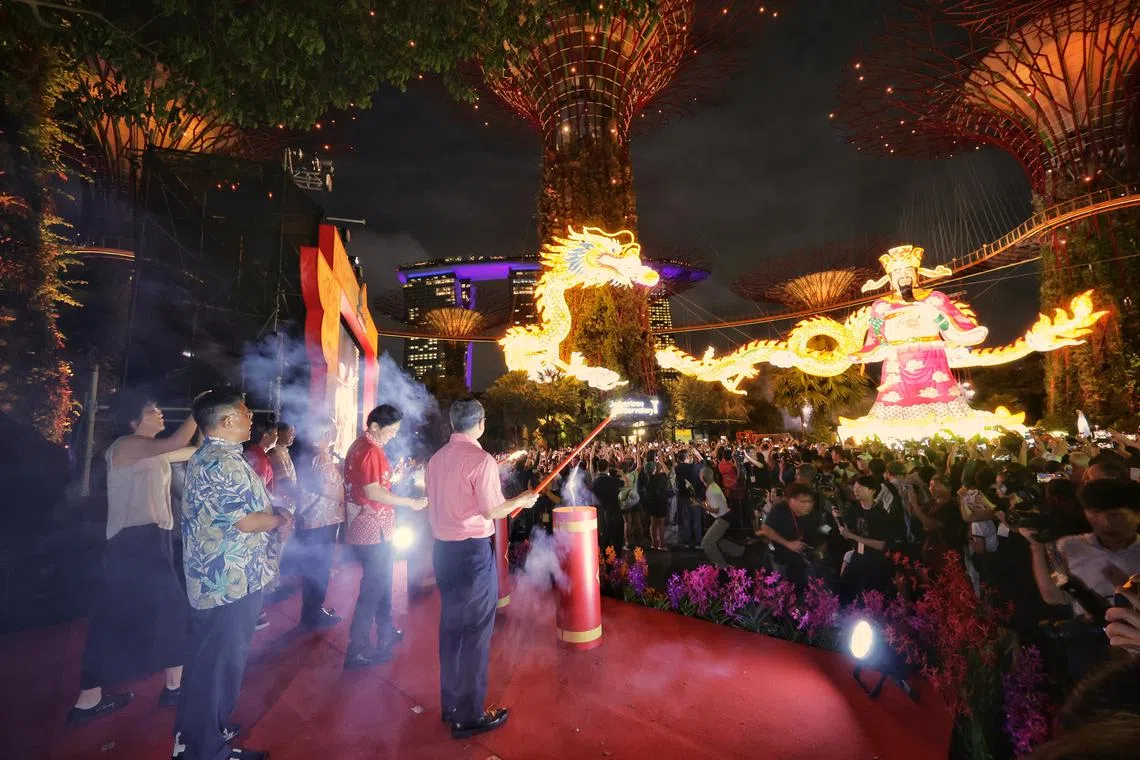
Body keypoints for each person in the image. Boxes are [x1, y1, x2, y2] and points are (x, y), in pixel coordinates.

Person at [68, 391, 198, 726]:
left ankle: (90, 701)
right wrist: (200, 408)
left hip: (151, 542)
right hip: (133, 544)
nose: (159, 414)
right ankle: (173, 687)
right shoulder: (126, 446)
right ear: (132, 421)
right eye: (152, 411)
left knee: (121, 617)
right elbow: (178, 440)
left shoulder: (153, 453)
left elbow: (191, 449)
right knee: (168, 609)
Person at [175, 389, 291, 760]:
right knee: (220, 664)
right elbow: (246, 520)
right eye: (244, 413)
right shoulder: (221, 462)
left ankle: (201, 731)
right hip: (229, 580)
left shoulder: (212, 456)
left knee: (205, 661)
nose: (250, 419)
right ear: (226, 421)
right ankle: (208, 749)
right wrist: (279, 519)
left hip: (218, 578)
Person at [425, 400, 538, 740]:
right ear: (480, 424)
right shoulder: (480, 459)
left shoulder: (435, 459)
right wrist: (521, 500)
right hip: (471, 554)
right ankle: (469, 714)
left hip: (442, 552)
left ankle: (451, 705)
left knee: (452, 629)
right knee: (475, 633)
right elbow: (492, 510)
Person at [342, 404, 428, 669]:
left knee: (381, 584)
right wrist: (410, 502)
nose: (393, 436)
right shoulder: (370, 450)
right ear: (375, 426)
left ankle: (386, 630)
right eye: (390, 430)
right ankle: (357, 650)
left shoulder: (359, 445)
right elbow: (374, 493)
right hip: (373, 528)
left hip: (366, 526)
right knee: (372, 590)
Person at [1021, 478, 1140, 613]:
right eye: (1094, 513)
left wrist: (1128, 589)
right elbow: (1055, 597)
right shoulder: (1070, 546)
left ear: (1137, 515)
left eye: (1116, 515)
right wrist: (1037, 548)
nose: (1105, 523)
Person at [293, 418, 344, 629]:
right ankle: (313, 616)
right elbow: (328, 489)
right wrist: (348, 494)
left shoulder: (307, 455)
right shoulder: (321, 458)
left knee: (314, 569)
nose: (335, 434)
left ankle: (312, 612)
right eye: (334, 430)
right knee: (319, 570)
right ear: (327, 434)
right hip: (321, 522)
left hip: (311, 520)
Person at [699, 466, 744, 567]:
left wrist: (704, 507)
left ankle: (722, 565)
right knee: (717, 540)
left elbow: (716, 510)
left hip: (723, 519)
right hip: (726, 516)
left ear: (703, 477)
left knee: (707, 543)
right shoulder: (713, 486)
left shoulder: (711, 490)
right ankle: (739, 551)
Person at [591, 460, 624, 550]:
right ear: (607, 468)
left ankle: (606, 557)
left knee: (604, 536)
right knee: (616, 536)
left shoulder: (594, 482)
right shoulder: (612, 480)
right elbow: (626, 483)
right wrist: (622, 473)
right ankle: (616, 558)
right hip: (614, 510)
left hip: (601, 511)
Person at [645, 461, 672, 550]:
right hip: (661, 502)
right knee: (661, 524)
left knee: (653, 524)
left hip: (651, 502)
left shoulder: (648, 478)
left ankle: (654, 544)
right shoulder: (662, 477)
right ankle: (662, 544)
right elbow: (668, 472)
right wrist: (661, 460)